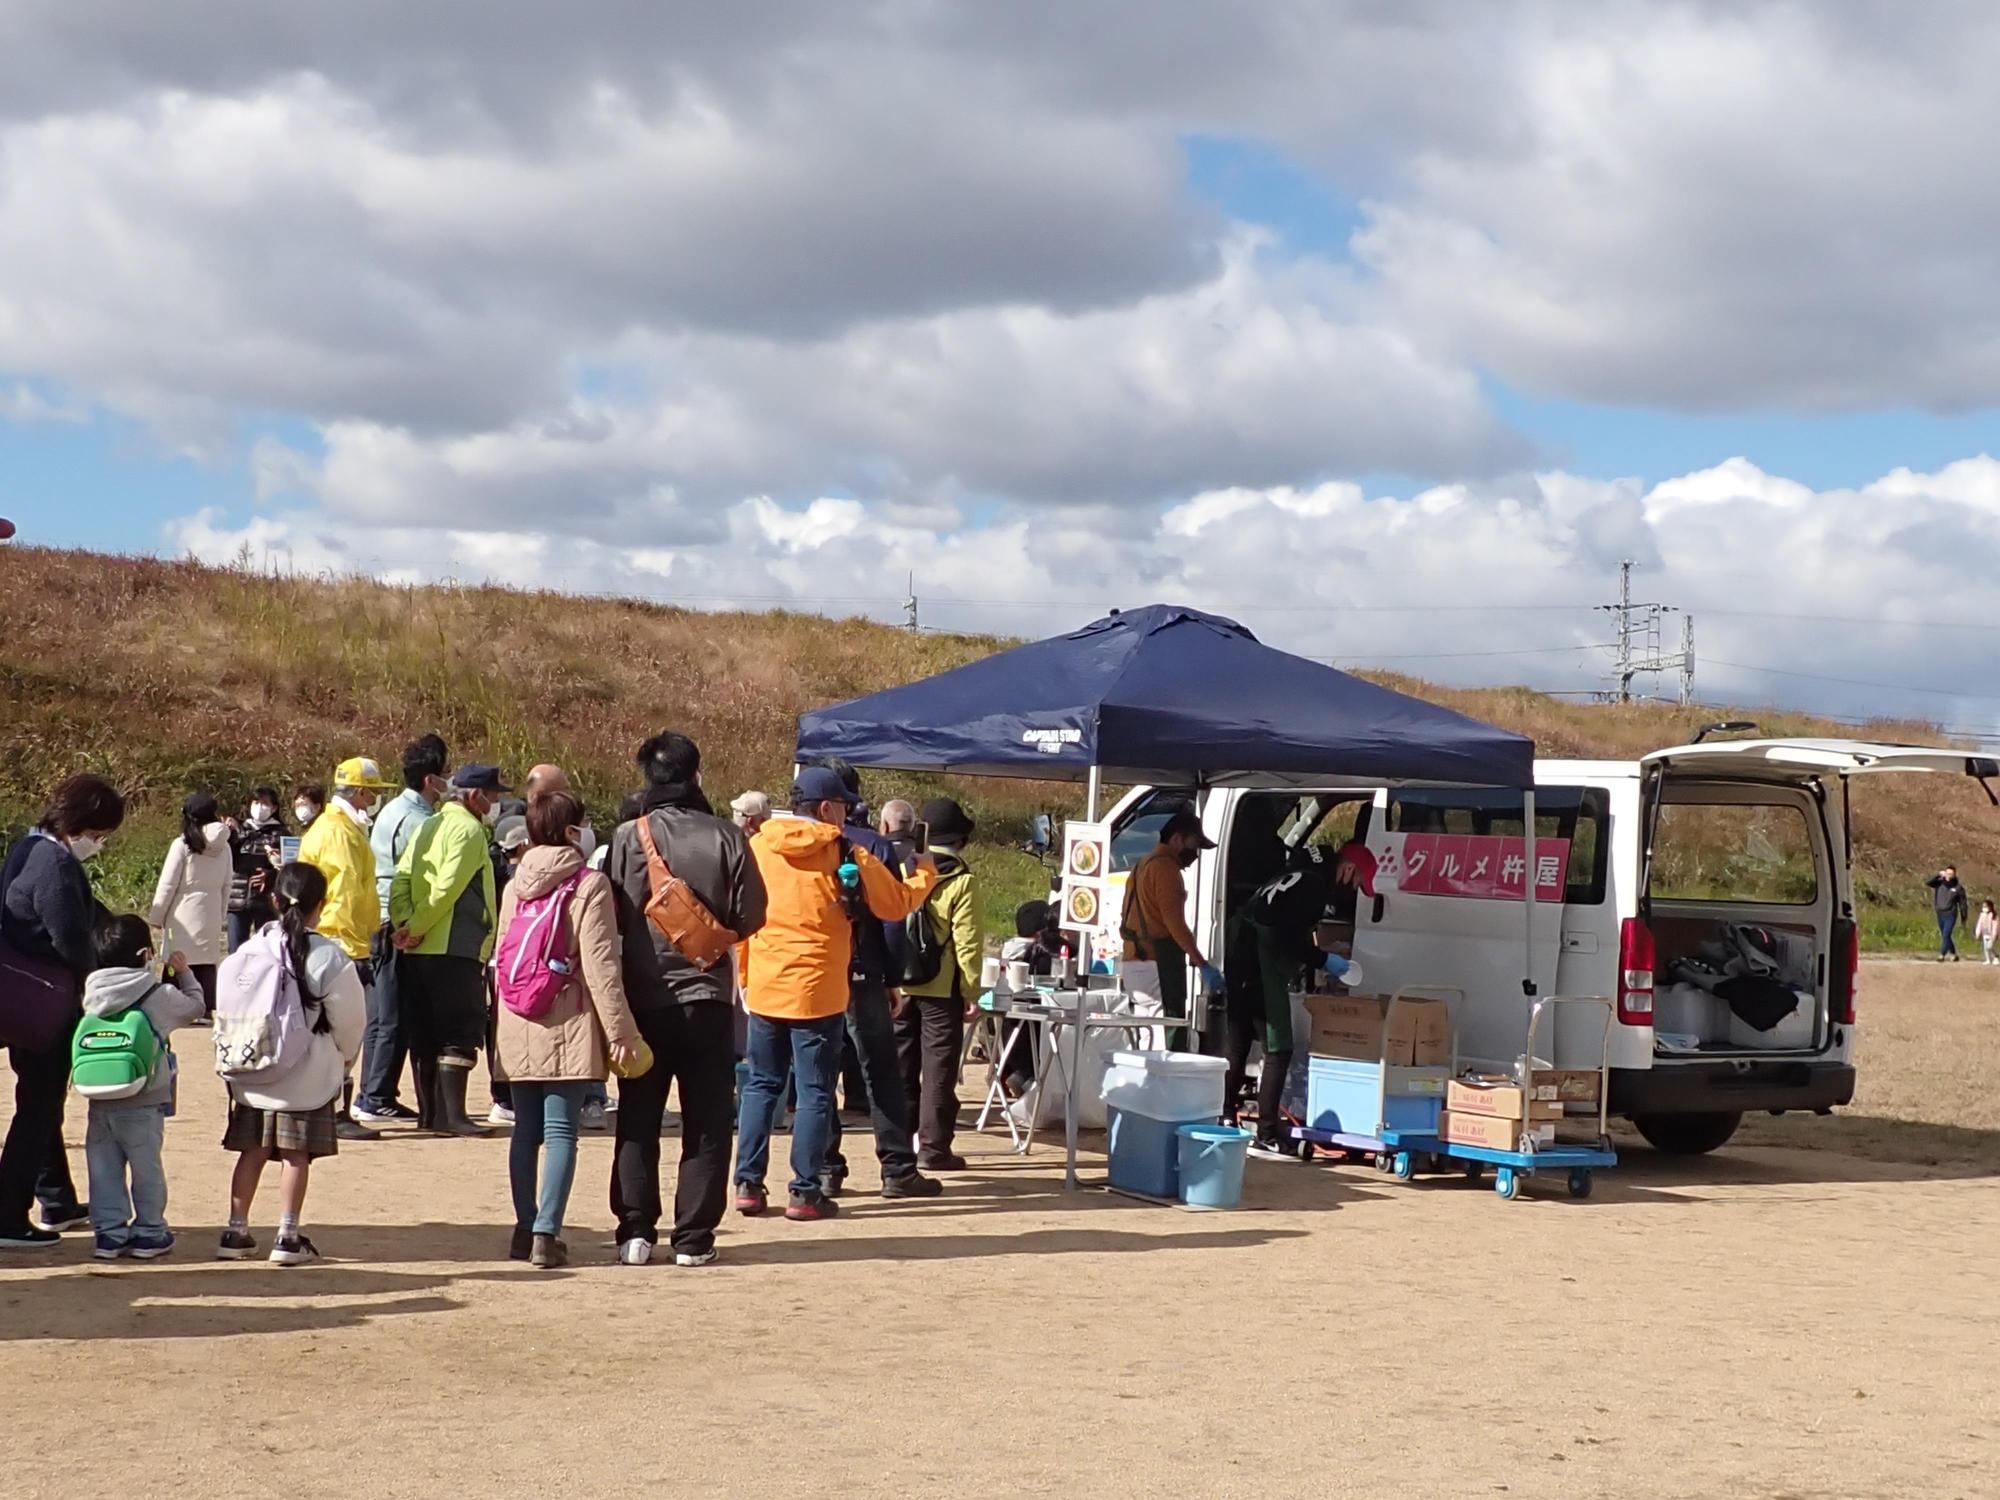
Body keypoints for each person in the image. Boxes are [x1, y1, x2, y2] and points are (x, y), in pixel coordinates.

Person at [735, 768, 937, 1222]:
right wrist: (924, 870)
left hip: (767, 984)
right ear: (826, 809)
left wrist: (745, 976)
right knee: (814, 1092)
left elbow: (743, 915)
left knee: (762, 1087)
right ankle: (804, 1192)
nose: (848, 813)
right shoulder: (847, 850)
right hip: (820, 989)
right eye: (844, 806)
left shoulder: (758, 847)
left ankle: (748, 1183)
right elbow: (896, 904)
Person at [606, 732, 768, 1265]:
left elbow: (609, 917)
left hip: (641, 997)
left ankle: (634, 1230)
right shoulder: (728, 837)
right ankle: (694, 1238)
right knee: (706, 1119)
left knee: (638, 1115)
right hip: (707, 997)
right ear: (695, 776)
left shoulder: (628, 837)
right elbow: (750, 918)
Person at [495, 790, 643, 1269]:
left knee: (525, 1132)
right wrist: (620, 1030)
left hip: (519, 1014)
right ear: (569, 831)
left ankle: (523, 1226)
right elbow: (601, 965)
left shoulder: (514, 884)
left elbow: (500, 957)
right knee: (562, 1131)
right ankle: (546, 1232)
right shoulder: (588, 884)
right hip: (567, 1013)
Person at [217, 862, 366, 1266]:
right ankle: (287, 1235)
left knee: (251, 1151)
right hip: (306, 1077)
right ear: (322, 905)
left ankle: (236, 1230)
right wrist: (345, 1058)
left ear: (273, 899)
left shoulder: (248, 952)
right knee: (296, 1156)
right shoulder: (329, 957)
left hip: (252, 1072)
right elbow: (351, 1021)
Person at [0, 772, 125, 1247]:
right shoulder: (56, 865)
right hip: (46, 1000)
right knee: (39, 1105)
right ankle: (9, 1212)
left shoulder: (25, 847)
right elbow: (71, 938)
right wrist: (99, 974)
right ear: (80, 823)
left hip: (20, 997)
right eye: (100, 834)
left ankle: (56, 1198)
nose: (99, 843)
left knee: (39, 1099)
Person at [815, 781, 940, 1201]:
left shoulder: (794, 846)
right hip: (865, 972)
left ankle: (827, 1168)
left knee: (820, 1074)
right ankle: (897, 1168)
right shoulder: (874, 847)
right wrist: (892, 978)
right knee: (880, 1071)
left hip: (816, 973)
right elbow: (892, 920)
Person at [1223, 844, 1367, 1159]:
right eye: (1356, 883)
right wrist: (1323, 960)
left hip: (1237, 959)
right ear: (1346, 869)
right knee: (1278, 1049)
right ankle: (1266, 1135)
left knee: (1238, 1043)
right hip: (1260, 967)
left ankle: (1223, 1118)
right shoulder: (1314, 887)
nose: (1353, 891)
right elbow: (1284, 938)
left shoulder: (1294, 873)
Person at [390, 763, 508, 1136]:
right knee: (459, 1030)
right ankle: (453, 1115)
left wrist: (404, 924)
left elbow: (402, 877)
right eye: (493, 796)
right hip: (454, 944)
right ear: (475, 796)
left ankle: (431, 1113)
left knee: (424, 1032)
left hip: (416, 947)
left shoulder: (428, 824)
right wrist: (420, 926)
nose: (495, 803)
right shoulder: (469, 830)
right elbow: (448, 888)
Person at [80, 915, 206, 1259]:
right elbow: (196, 1007)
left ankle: (109, 1235)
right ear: (146, 954)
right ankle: (149, 1232)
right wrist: (184, 974)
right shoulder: (156, 994)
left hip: (100, 1098)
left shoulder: (91, 993)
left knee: (103, 1169)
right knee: (146, 1167)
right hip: (143, 1099)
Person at [298, 756, 395, 1140]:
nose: (373, 799)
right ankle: (334, 1108)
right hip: (342, 941)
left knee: (343, 1027)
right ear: (359, 791)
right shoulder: (339, 832)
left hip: (343, 939)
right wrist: (357, 941)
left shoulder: (341, 827)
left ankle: (335, 1107)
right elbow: (347, 893)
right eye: (372, 791)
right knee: (347, 1027)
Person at [356, 734, 448, 1127]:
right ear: (431, 779)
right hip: (395, 921)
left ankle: (377, 1092)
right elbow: (413, 878)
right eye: (445, 773)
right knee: (391, 1014)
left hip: (382, 916)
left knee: (385, 1012)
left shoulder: (394, 810)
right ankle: (375, 1094)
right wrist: (410, 925)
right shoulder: (419, 821)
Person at [896, 797, 984, 1172]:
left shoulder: (903, 871)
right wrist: (971, 992)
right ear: (961, 840)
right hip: (941, 988)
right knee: (938, 1072)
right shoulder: (962, 882)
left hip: (900, 986)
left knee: (900, 1069)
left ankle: (897, 1149)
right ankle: (933, 1149)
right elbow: (968, 943)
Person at [1120, 807, 1221, 1050]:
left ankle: (1147, 1087)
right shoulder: (1166, 868)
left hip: (1134, 961)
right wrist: (1202, 964)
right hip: (1156, 963)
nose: (1195, 853)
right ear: (1176, 839)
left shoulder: (1141, 865)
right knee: (1167, 1037)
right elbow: (1175, 925)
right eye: (1193, 844)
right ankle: (1163, 1087)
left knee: (1146, 1037)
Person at [147, 791, 232, 1015]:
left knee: (178, 958)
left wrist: (156, 917)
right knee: (206, 961)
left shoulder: (183, 844)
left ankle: (173, 1006)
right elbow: (227, 885)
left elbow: (168, 885)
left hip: (181, 913)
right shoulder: (225, 846)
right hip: (211, 911)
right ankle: (204, 1009)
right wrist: (221, 915)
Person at [227, 787, 286, 954]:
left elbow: (289, 867)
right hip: (237, 898)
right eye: (256, 802)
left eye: (265, 803)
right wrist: (231, 835)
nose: (260, 807)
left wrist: (271, 875)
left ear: (274, 808)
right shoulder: (239, 830)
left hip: (265, 900)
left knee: (266, 950)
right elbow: (227, 860)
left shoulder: (281, 833)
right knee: (235, 950)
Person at [1929, 866, 1970, 962]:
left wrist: (1964, 917)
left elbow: (1963, 904)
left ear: (1954, 874)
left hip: (1951, 914)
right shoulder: (1939, 883)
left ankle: (1942, 954)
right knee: (1945, 935)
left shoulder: (1958, 888)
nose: (1949, 875)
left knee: (1946, 934)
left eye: (1951, 874)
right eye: (1948, 873)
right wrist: (1938, 874)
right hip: (1940, 913)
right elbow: (1928, 882)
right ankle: (1953, 953)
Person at [1979, 900, 1998, 967]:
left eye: (1986, 906)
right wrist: (1978, 932)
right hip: (1985, 934)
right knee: (1985, 948)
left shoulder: (1993, 915)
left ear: (1990, 907)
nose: (1984, 908)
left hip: (1991, 934)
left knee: (1990, 946)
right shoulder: (1982, 915)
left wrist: (1994, 935)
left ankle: (1996, 956)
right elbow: (1979, 924)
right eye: (1983, 906)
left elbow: (1995, 926)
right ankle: (1988, 959)